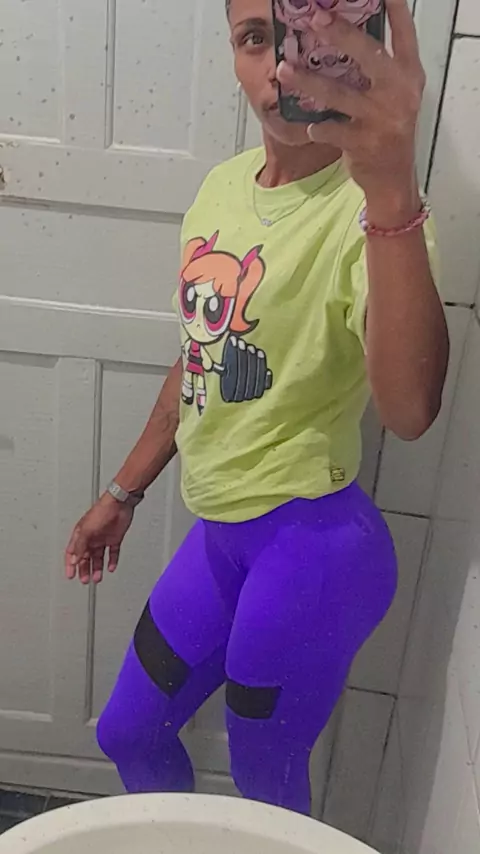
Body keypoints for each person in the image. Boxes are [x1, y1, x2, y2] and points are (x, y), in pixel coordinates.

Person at [65, 0, 449, 816]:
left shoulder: (372, 213)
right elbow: (199, 356)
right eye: (255, 38)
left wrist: (391, 185)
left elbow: (411, 410)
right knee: (129, 733)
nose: (281, 66)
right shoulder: (221, 188)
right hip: (221, 537)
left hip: (315, 550)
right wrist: (121, 493)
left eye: (305, 38)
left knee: (264, 782)